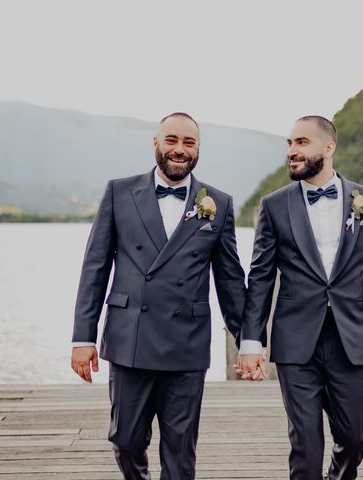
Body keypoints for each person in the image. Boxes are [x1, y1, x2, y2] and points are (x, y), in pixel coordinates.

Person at [71, 112, 246, 480]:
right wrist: (83, 336)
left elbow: (230, 280)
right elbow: (95, 269)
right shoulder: (119, 192)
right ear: (155, 143)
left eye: (189, 142)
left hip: (186, 345)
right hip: (130, 337)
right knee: (126, 440)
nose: (179, 150)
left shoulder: (219, 203)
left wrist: (247, 341)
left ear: (198, 149)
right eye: (172, 140)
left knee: (180, 450)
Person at [237, 116, 363, 480]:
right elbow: (261, 276)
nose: (292, 152)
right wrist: (251, 340)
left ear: (328, 148)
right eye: (290, 143)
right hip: (296, 341)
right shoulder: (274, 205)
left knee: (357, 437)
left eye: (301, 143)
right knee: (306, 445)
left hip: (350, 338)